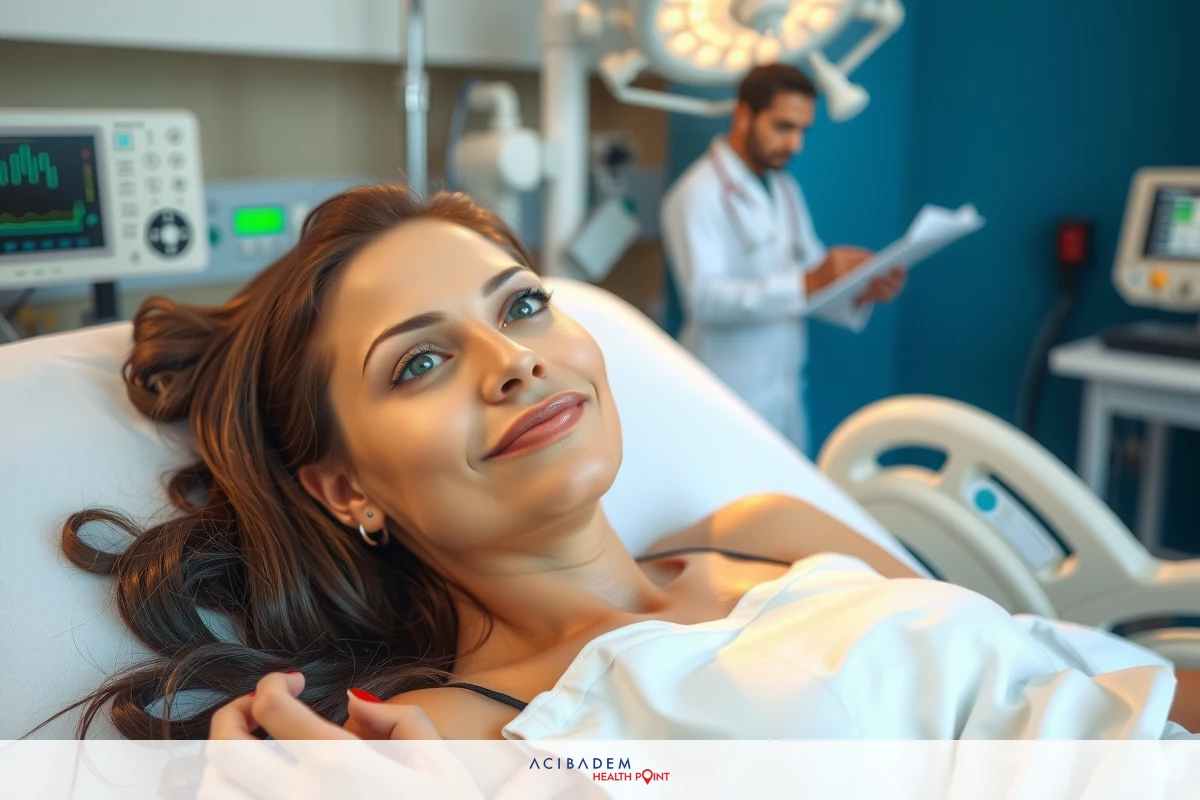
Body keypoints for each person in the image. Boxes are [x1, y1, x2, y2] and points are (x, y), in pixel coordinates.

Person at [48, 186, 1199, 746]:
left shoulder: (775, 530)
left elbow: (1085, 669)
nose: (513, 361)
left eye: (526, 306)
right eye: (421, 362)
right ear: (346, 489)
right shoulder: (453, 739)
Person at [660, 63, 907, 454]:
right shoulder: (696, 194)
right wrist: (806, 281)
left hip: (785, 395)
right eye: (783, 127)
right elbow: (704, 300)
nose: (795, 145)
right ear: (743, 115)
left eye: (802, 130)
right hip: (724, 395)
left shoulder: (785, 188)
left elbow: (813, 277)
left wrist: (861, 289)